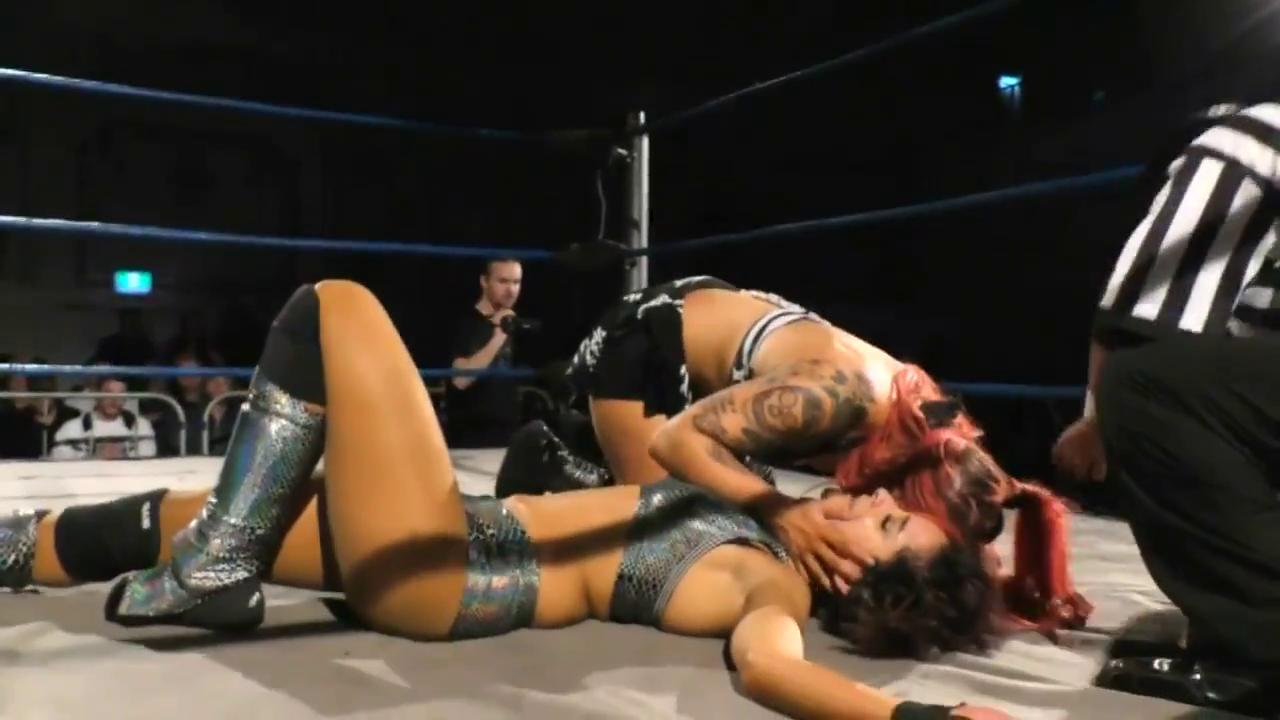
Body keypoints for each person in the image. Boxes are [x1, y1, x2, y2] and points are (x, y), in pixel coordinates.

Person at [0, 280, 1011, 720]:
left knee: (335, 308)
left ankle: (219, 566)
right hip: (450, 537)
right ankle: (22, 547)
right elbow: (684, 443)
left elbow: (771, 673)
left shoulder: (770, 592)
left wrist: (914, 719)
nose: (856, 499)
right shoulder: (760, 513)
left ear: (866, 583)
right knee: (180, 514)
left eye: (883, 524)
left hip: (449, 570)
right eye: (884, 502)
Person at [499, 276, 1087, 623]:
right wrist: (780, 511)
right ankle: (556, 463)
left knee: (750, 510)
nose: (881, 500)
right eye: (896, 514)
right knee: (678, 539)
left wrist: (996, 586)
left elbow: (954, 536)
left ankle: (600, 448)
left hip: (731, 357)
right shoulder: (837, 398)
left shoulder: (941, 436)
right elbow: (675, 440)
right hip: (650, 343)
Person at [1052, 102, 1280, 715]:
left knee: (1145, 385)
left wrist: (1099, 420)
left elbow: (1146, 316)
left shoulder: (1251, 135)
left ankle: (1260, 655)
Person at [445, 257, 526, 448]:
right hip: (471, 439)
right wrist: (499, 336)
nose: (511, 290)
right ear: (484, 281)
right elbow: (460, 380)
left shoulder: (513, 321)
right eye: (503, 281)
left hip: (507, 435)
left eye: (516, 282)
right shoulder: (465, 323)